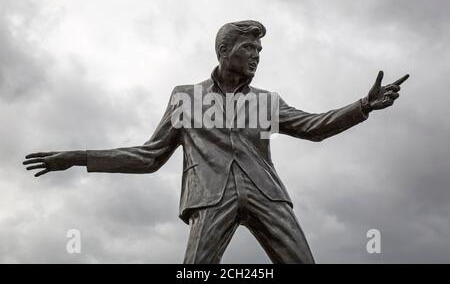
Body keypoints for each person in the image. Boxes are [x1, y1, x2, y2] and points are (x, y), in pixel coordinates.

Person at [23, 20, 409, 263]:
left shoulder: (266, 102)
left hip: (268, 196)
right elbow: (149, 155)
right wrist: (76, 158)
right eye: (248, 48)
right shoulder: (186, 98)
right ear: (225, 52)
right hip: (210, 199)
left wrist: (363, 106)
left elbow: (314, 126)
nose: (256, 56)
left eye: (259, 50)